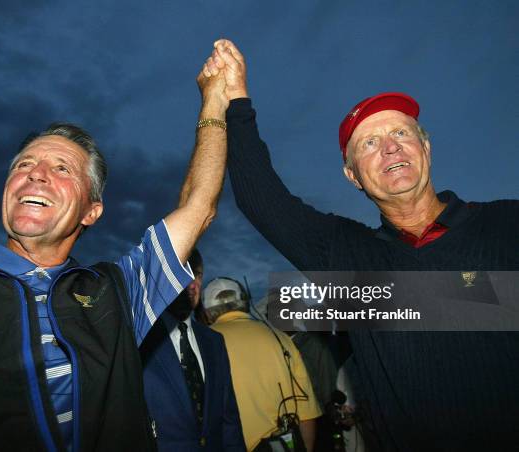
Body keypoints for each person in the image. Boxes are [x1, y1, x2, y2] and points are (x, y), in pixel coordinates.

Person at [201, 39, 519, 451]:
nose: (389, 146)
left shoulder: (506, 224)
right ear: (352, 176)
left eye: (401, 132)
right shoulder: (348, 256)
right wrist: (234, 102)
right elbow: (262, 199)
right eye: (368, 143)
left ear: (425, 148)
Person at [0, 53, 230, 451]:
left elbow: (198, 208)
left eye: (62, 168)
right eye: (23, 164)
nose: (36, 173)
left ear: (91, 211)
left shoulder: (117, 291)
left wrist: (214, 100)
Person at [140, 250, 245, 451]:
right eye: (182, 272)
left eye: (197, 275)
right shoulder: (140, 342)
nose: (192, 283)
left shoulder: (214, 341)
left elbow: (229, 418)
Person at [202, 277, 321, 452]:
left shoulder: (201, 344)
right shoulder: (280, 338)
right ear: (245, 301)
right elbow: (307, 413)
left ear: (207, 312)